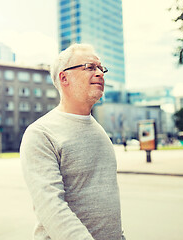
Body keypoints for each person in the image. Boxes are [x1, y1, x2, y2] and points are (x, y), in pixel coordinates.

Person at [20, 43, 125, 240]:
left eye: (101, 68)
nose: (100, 73)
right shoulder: (40, 133)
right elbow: (51, 207)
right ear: (64, 77)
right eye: (90, 67)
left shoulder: (99, 131)